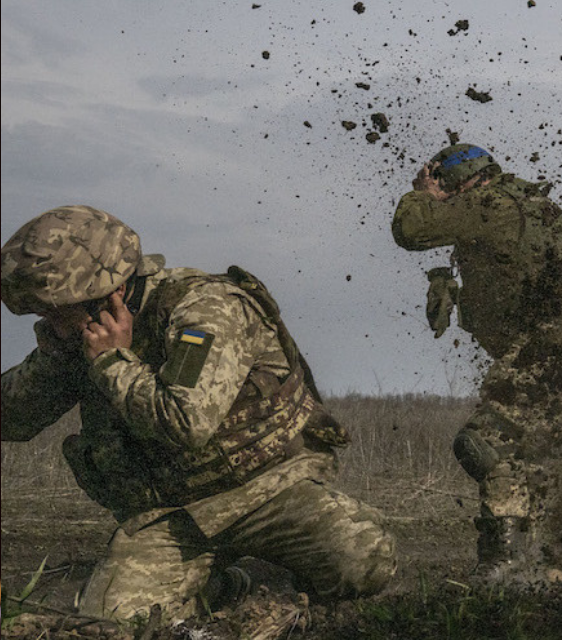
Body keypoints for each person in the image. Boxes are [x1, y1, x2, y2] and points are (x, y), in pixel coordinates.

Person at [0, 206, 396, 623]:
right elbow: (14, 416)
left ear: (107, 294)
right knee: (113, 620)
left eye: (56, 312)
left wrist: (113, 363)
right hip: (174, 516)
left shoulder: (204, 309)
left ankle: (270, 578)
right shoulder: (82, 335)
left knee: (364, 558)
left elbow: (187, 422)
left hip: (267, 491)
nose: (50, 324)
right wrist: (62, 358)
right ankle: (229, 586)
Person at [391, 143, 562, 581]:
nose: (446, 194)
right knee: (530, 457)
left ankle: (508, 563)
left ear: (461, 180)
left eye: (445, 184)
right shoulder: (530, 202)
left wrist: (422, 193)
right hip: (561, 352)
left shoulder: (489, 201)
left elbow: (411, 230)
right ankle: (550, 565)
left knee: (485, 443)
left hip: (544, 352)